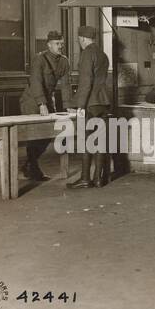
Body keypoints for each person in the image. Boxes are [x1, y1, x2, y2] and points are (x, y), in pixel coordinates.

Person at [17, 30, 71, 180]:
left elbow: (66, 85)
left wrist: (68, 106)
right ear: (49, 44)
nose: (60, 46)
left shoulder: (64, 61)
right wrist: (41, 104)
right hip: (32, 100)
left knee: (48, 134)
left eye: (62, 44)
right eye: (57, 44)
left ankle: (29, 164)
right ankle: (32, 168)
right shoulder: (39, 59)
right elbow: (36, 82)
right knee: (35, 134)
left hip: (47, 99)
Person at [71, 23, 112, 188]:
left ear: (81, 39)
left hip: (90, 103)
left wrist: (80, 105)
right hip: (103, 102)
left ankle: (85, 179)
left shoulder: (87, 54)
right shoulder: (103, 54)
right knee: (100, 140)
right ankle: (98, 178)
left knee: (86, 139)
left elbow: (86, 82)